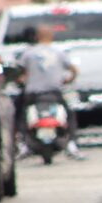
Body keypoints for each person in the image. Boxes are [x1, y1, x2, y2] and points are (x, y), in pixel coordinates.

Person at [18, 24, 84, 160]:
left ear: (37, 37)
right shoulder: (58, 52)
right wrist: (67, 80)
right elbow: (74, 70)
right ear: (51, 36)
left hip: (33, 94)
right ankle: (72, 144)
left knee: (21, 116)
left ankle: (22, 144)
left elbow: (20, 73)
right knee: (69, 115)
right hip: (55, 92)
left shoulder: (29, 53)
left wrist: (21, 81)